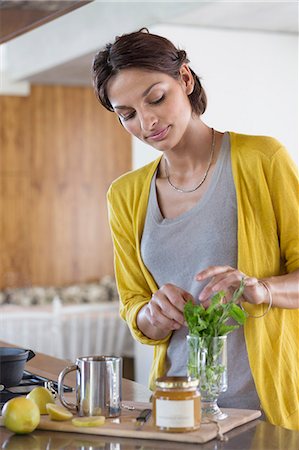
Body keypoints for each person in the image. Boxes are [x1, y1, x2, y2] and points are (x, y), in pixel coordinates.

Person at [92, 29, 299, 430]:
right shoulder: (125, 195)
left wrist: (263, 290)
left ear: (185, 80)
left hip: (265, 409)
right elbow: (133, 301)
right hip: (173, 410)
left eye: (156, 98)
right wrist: (152, 317)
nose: (147, 121)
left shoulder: (263, 158)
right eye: (127, 114)